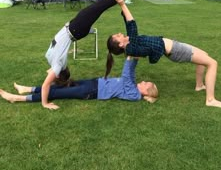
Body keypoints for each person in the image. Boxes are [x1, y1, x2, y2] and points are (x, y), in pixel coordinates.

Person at [41, 0, 143, 110]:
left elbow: (49, 77)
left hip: (75, 28)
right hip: (75, 29)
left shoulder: (54, 63)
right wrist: (45, 103)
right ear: (59, 73)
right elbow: (46, 84)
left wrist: (55, 78)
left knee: (102, 5)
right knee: (102, 5)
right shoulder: (56, 63)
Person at [105, 0, 221, 108]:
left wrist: (122, 3)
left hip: (174, 46)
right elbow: (132, 26)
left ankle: (199, 85)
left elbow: (128, 23)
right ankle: (210, 99)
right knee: (212, 63)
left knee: (204, 55)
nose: (120, 33)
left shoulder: (131, 43)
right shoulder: (132, 48)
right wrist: (122, 5)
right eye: (117, 36)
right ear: (120, 44)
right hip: (176, 50)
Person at [0, 57, 158, 107]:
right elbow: (130, 75)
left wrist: (131, 58)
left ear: (145, 92)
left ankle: (17, 98)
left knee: (55, 92)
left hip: (90, 92)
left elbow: (126, 75)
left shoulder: (134, 94)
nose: (143, 81)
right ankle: (26, 88)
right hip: (95, 83)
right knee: (65, 84)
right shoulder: (133, 88)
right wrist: (134, 58)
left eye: (146, 84)